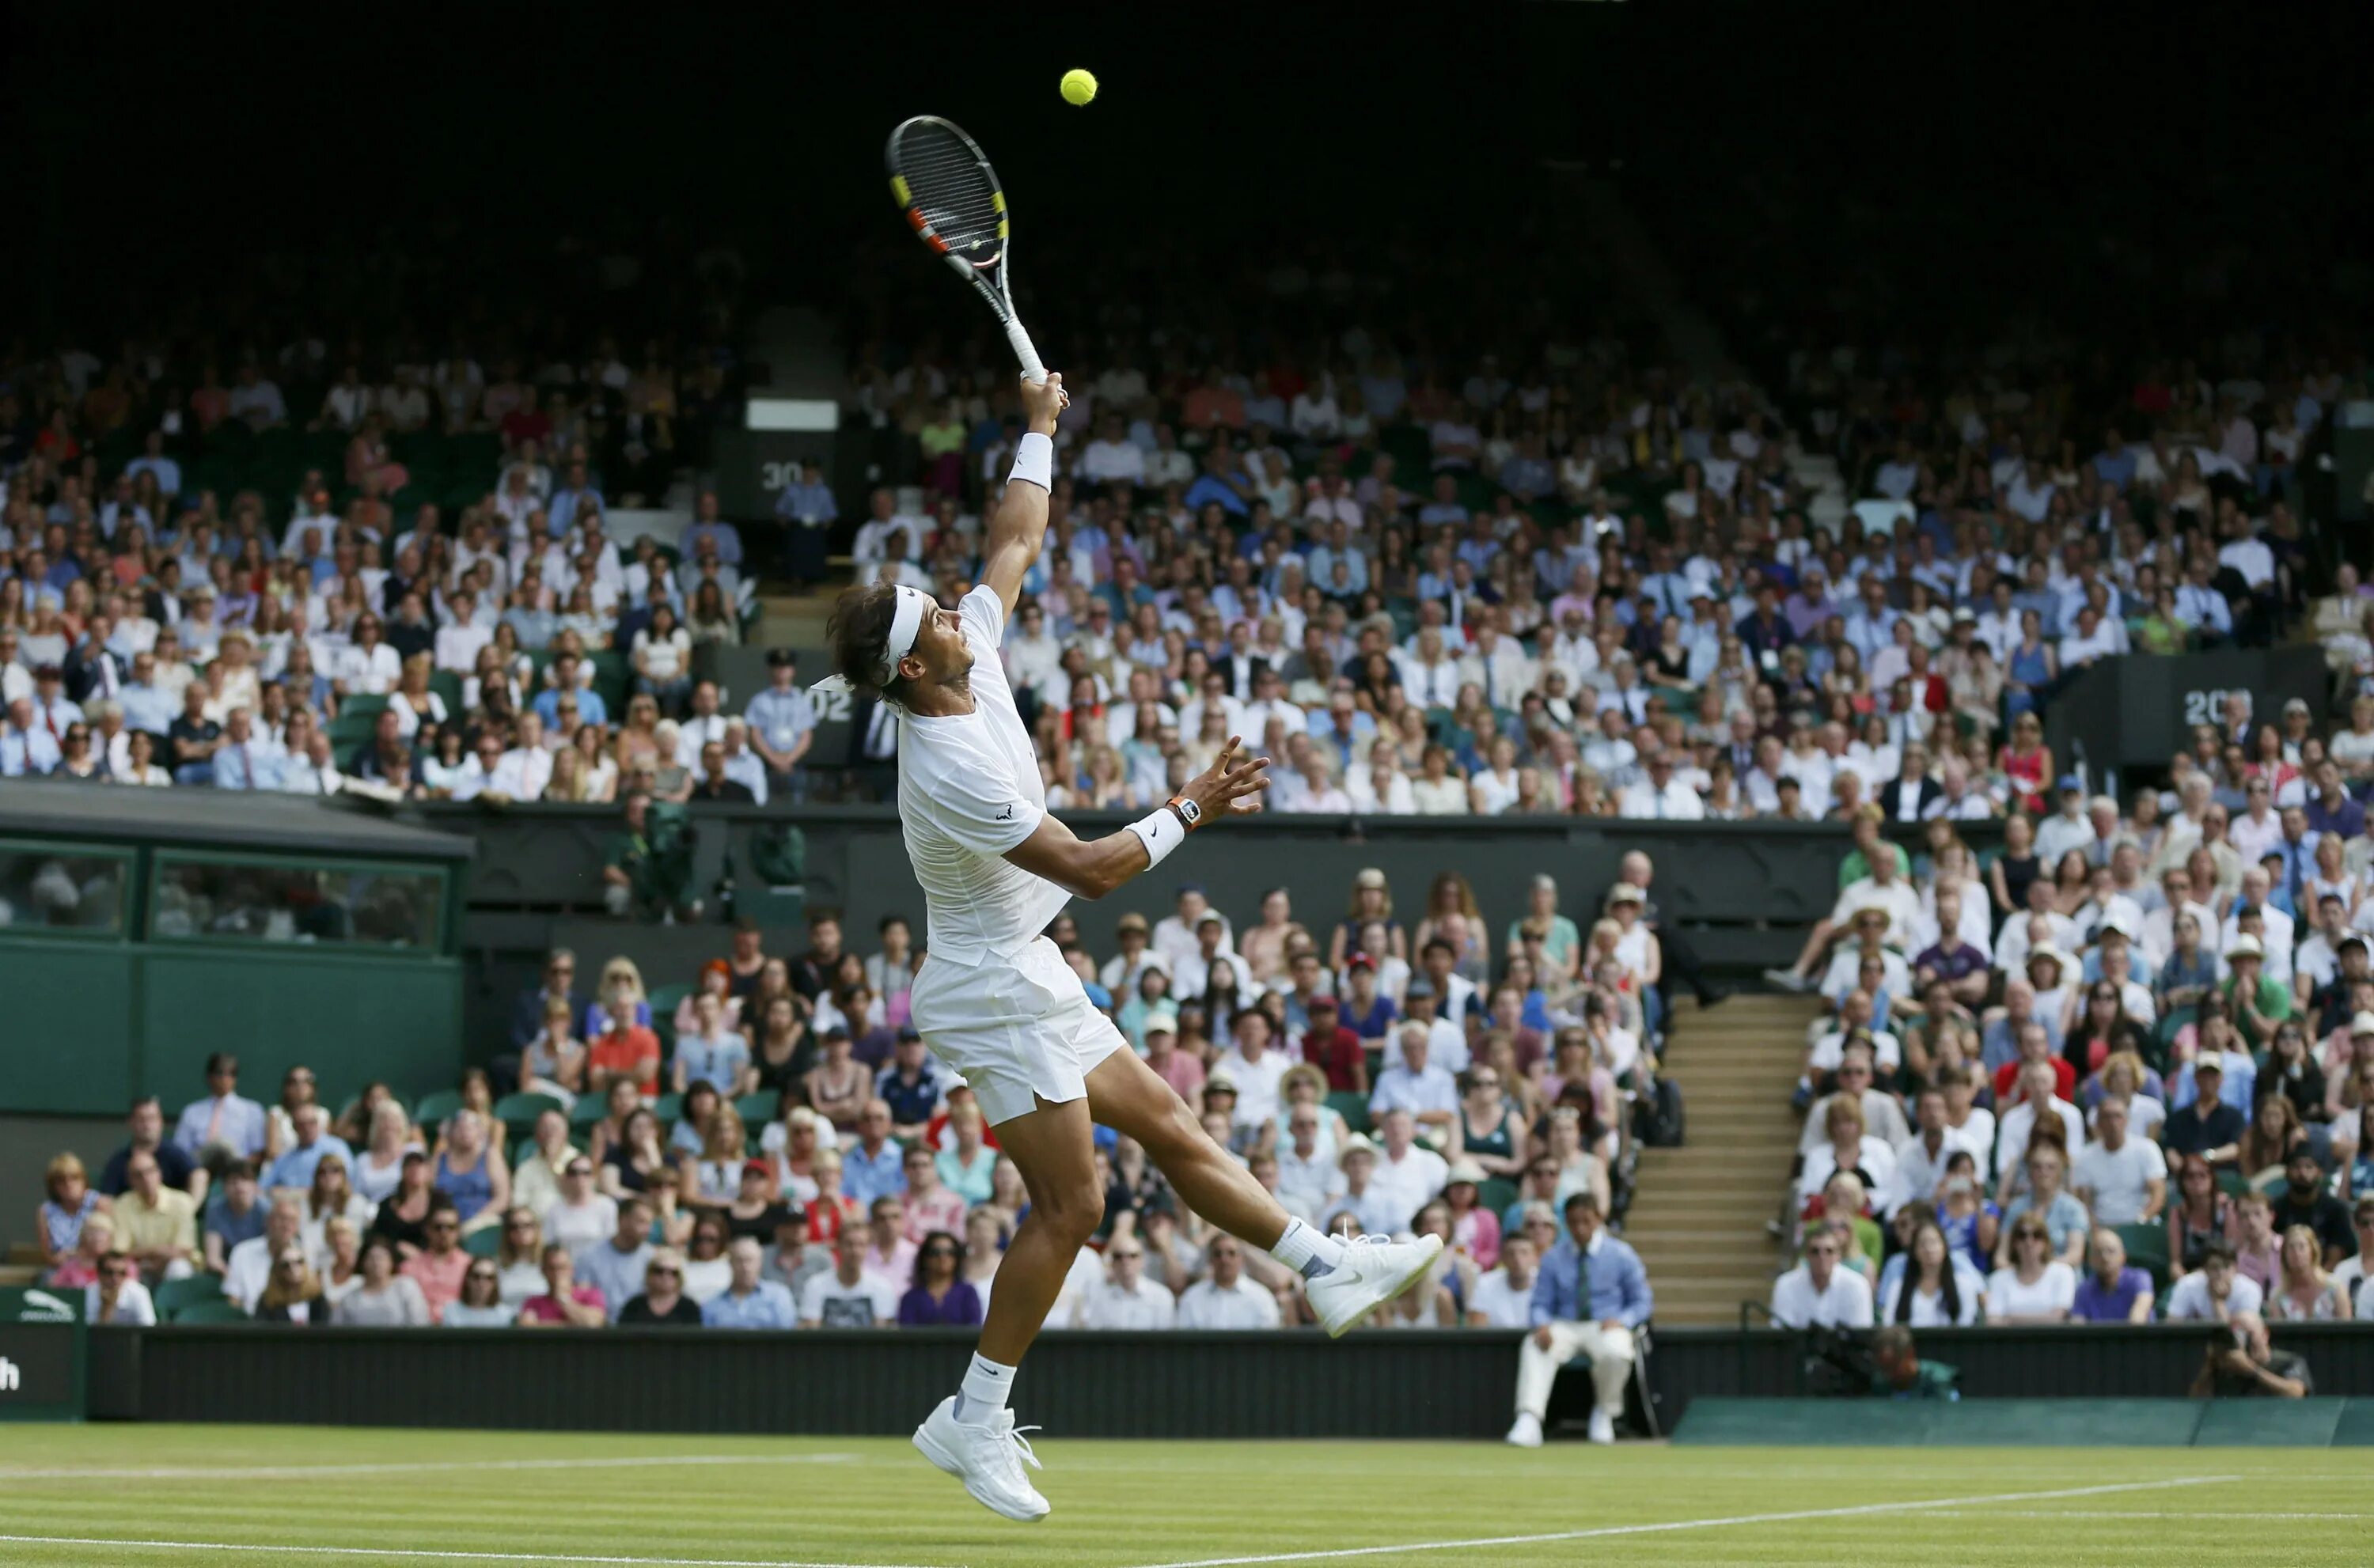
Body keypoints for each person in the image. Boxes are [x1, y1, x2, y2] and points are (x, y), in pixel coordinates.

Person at [817, 371, 1438, 1522]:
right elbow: (1094, 873)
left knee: (1168, 1121)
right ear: (912, 666)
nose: (959, 612)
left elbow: (1012, 535)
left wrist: (1043, 427)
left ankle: (1324, 1266)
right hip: (991, 982)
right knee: (1077, 1206)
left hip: (1021, 970)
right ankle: (974, 1414)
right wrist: (1193, 802)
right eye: (939, 620)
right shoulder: (948, 768)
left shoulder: (969, 659)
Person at [1504, 1192, 1651, 1448]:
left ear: (1598, 1219)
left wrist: (1623, 1320)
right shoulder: (1552, 1257)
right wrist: (1541, 1324)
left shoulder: (1622, 1254)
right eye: (1573, 1222)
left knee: (1617, 1350)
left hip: (1606, 1324)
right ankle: (1529, 1419)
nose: (1580, 1228)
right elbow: (1540, 1303)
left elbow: (1642, 1301)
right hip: (1565, 1325)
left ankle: (1604, 1413)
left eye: (1586, 1221)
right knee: (1534, 1345)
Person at [1769, 1226, 1875, 1330]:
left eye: (1829, 1251)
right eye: (1815, 1251)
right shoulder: (1786, 1285)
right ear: (1806, 1255)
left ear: (1838, 1255)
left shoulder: (1857, 1285)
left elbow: (1861, 1334)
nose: (1822, 1257)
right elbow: (1781, 1334)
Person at [2189, 1309, 2311, 1399]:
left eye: (2249, 1334)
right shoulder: (2226, 1368)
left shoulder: (2288, 1361)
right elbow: (2196, 1400)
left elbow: (2296, 1394)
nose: (2244, 1341)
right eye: (2238, 1336)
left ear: (2265, 1335)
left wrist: (2252, 1370)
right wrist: (2210, 1364)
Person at [800, 1225, 901, 1327]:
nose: (855, 1251)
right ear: (838, 1245)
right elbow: (811, 1329)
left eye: (861, 1245)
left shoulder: (882, 1287)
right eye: (849, 1244)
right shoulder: (815, 1285)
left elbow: (883, 1332)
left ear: (868, 1248)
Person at [703, 1236, 801, 1328]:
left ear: (760, 1262)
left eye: (750, 1260)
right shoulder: (712, 1305)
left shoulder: (778, 1296)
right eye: (739, 1260)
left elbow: (788, 1338)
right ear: (730, 1263)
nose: (745, 1267)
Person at [2071, 1227, 2156, 1324]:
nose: (2105, 1257)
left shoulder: (2140, 1279)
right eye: (2098, 1252)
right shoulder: (2084, 1290)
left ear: (2123, 1256)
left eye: (2111, 1251)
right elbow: (2077, 1326)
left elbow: (2138, 1318)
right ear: (2090, 1260)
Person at [2166, 1242, 2266, 1323]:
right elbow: (2172, 1327)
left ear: (2235, 1268)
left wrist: (2218, 1302)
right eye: (2214, 1267)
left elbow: (2239, 1338)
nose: (2221, 1273)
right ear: (2205, 1270)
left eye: (2226, 1267)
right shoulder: (2187, 1285)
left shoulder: (2250, 1290)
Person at [618, 1248, 707, 1326]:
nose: (666, 1276)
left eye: (673, 1273)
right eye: (659, 1271)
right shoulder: (634, 1306)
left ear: (680, 1278)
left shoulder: (689, 1309)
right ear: (649, 1274)